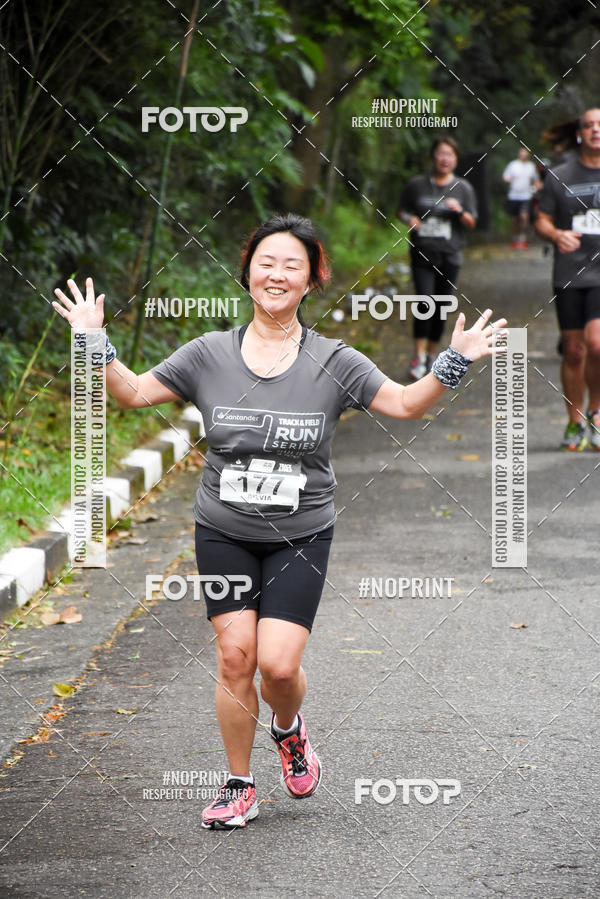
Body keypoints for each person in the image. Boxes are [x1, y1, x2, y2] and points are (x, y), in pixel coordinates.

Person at [52, 213, 506, 830]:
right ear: (247, 274)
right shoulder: (209, 353)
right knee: (236, 657)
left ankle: (288, 729)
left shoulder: (334, 361)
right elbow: (131, 392)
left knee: (279, 667)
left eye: (293, 265)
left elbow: (402, 403)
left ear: (311, 279)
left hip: (301, 534)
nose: (277, 274)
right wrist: (90, 341)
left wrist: (451, 363)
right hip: (224, 530)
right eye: (267, 262)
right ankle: (239, 784)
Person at [535, 108, 600, 451]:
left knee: (598, 344)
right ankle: (575, 422)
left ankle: (597, 413)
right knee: (573, 352)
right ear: (579, 134)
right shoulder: (559, 175)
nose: (595, 130)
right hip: (570, 272)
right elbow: (542, 220)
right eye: (588, 125)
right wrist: (556, 234)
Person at [398, 136, 478, 381]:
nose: (444, 159)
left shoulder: (463, 188)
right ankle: (418, 356)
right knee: (425, 302)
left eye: (450, 155)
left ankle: (433, 355)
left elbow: (472, 222)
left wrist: (460, 211)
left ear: (455, 160)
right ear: (433, 157)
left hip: (450, 254)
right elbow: (401, 209)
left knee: (441, 307)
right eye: (441, 154)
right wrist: (409, 219)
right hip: (422, 251)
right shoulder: (417, 185)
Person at [503, 147, 542, 249]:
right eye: (522, 152)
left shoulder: (531, 166)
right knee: (515, 219)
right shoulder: (513, 165)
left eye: (525, 153)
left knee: (524, 216)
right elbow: (506, 177)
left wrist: (537, 187)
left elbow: (536, 180)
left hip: (526, 196)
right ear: (519, 154)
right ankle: (515, 238)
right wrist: (509, 180)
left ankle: (522, 238)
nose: (523, 154)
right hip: (513, 196)